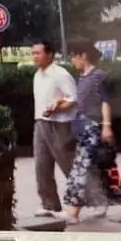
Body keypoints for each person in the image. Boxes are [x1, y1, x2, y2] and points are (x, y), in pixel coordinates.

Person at [63, 41, 121, 225]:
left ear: (83, 56)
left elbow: (105, 101)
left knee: (82, 168)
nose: (72, 60)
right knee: (106, 170)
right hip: (84, 130)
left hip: (94, 129)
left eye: (73, 56)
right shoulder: (83, 78)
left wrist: (106, 125)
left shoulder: (99, 77)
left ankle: (73, 213)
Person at [30, 40, 77, 217]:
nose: (34, 57)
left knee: (69, 165)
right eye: (33, 53)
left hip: (60, 125)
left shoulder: (61, 75)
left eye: (38, 53)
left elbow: (73, 100)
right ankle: (49, 204)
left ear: (50, 54)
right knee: (41, 166)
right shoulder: (37, 75)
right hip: (40, 123)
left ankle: (92, 199)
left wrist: (57, 107)